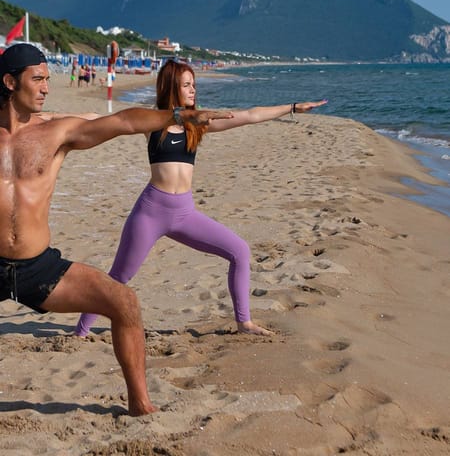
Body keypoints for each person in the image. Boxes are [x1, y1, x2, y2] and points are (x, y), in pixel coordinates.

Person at [0, 43, 230, 416]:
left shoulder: (57, 133)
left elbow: (123, 122)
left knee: (125, 303)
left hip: (37, 268)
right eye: (37, 79)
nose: (46, 87)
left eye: (47, 79)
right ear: (10, 82)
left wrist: (176, 114)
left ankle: (140, 406)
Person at [75, 59, 327, 338]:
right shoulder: (153, 123)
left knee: (240, 252)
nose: (193, 90)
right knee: (120, 276)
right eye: (186, 85)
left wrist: (292, 108)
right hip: (151, 212)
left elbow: (251, 115)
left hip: (185, 214)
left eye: (194, 84)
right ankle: (81, 332)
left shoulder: (199, 123)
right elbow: (105, 120)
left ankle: (244, 323)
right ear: (172, 88)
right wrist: (52, 122)